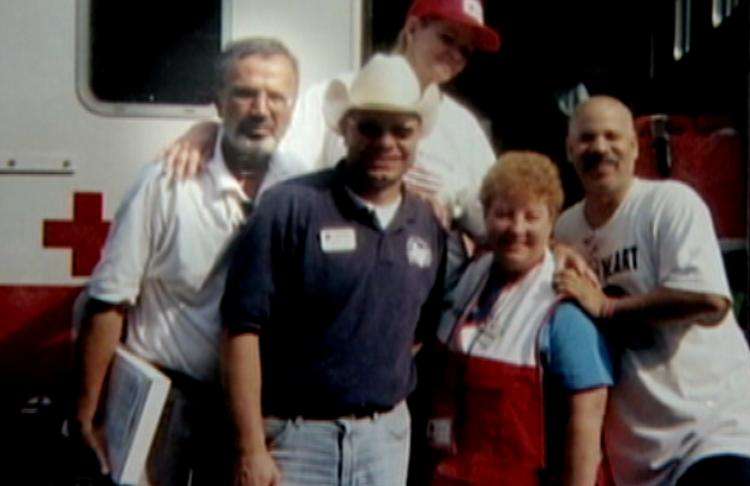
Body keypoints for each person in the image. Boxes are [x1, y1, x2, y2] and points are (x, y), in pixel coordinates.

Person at [71, 37, 306, 485]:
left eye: (276, 96)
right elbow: (108, 300)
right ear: (218, 102)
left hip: (254, 412)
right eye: (244, 93)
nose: (261, 109)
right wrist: (87, 415)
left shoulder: (299, 187)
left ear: (293, 107)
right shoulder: (164, 184)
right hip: (167, 406)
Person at [219, 53, 448, 486]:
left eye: (401, 130)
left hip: (386, 441)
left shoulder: (428, 225)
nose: (386, 142)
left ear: (419, 136)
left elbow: (418, 333)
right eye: (369, 127)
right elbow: (240, 331)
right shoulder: (289, 207)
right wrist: (251, 446)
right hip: (296, 442)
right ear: (344, 128)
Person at [553, 96, 750, 485]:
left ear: (635, 147)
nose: (600, 148)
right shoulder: (565, 230)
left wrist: (607, 308)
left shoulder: (670, 204)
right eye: (587, 139)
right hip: (639, 455)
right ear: (570, 150)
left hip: (713, 430)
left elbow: (709, 301)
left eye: (612, 137)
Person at [165, 0, 500, 240]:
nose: (457, 55)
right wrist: (210, 131)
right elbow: (278, 169)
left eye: (467, 51)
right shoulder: (334, 95)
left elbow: (493, 218)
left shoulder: (463, 127)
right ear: (413, 29)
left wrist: (452, 199)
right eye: (448, 38)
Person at [423, 151, 613, 486]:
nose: (517, 229)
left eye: (531, 217)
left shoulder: (564, 304)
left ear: (552, 220)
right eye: (504, 215)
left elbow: (587, 422)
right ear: (485, 216)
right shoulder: (471, 274)